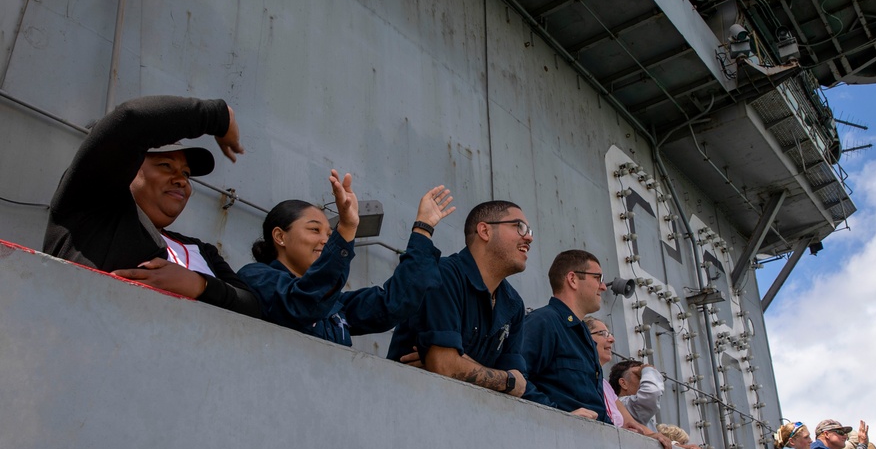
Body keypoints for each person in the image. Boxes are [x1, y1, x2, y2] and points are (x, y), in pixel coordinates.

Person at [43, 95, 259, 316]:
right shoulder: (95, 207)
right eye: (166, 165)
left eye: (186, 173)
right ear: (129, 168)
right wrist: (218, 115)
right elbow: (131, 119)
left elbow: (252, 307)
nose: (181, 180)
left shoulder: (201, 250)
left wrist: (199, 285)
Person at [237, 172, 454, 345]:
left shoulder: (336, 304)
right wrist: (346, 228)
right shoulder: (255, 277)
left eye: (330, 235)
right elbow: (303, 303)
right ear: (280, 236)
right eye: (314, 229)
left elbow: (393, 303)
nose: (325, 240)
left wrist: (423, 228)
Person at [387, 200, 532, 397]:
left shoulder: (513, 304)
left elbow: (519, 385)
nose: (528, 238)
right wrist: (506, 380)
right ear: (485, 231)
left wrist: (460, 362)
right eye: (520, 227)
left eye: (530, 231)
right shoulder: (442, 276)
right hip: (411, 404)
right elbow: (444, 366)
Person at [585, 317, 705, 449]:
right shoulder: (582, 378)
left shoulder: (605, 386)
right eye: (603, 333)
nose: (611, 339)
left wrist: (675, 445)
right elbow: (650, 395)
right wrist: (647, 369)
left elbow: (635, 425)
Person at [521, 250, 608, 421]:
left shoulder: (583, 335)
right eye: (598, 278)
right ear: (573, 279)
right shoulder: (543, 322)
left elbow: (593, 403)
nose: (603, 286)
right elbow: (515, 376)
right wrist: (557, 414)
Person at [610, 359, 665, 429]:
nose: (644, 380)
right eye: (639, 376)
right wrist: (647, 370)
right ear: (623, 383)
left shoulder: (630, 406)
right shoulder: (624, 405)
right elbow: (652, 393)